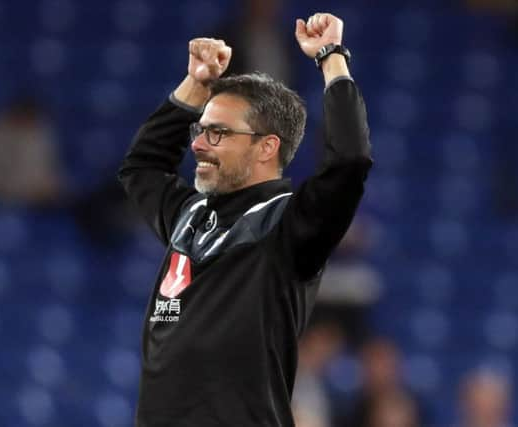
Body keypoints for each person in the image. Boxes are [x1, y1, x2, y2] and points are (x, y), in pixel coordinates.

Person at [118, 12, 372, 426]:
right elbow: (141, 166)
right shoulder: (190, 216)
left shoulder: (291, 225)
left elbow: (349, 160)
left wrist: (331, 56)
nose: (198, 143)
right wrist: (195, 86)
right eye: (199, 129)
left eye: (217, 132)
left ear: (266, 147)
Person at [0, 95, 63, 207]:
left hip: (34, 204)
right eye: (20, 115)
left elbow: (48, 181)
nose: (23, 120)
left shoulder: (42, 134)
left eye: (27, 117)